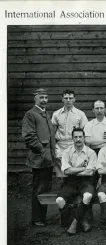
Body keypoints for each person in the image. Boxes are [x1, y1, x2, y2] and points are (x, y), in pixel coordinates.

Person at [22, 88, 56, 227]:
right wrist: (43, 152)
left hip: (48, 159)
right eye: (41, 97)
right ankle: (37, 218)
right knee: (39, 188)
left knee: (46, 188)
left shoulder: (46, 114)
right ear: (35, 98)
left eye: (46, 97)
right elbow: (29, 137)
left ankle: (42, 217)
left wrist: (51, 154)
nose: (44, 100)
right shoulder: (30, 114)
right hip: (39, 159)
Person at [55, 128, 97, 235]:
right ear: (72, 138)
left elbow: (90, 173)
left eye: (80, 137)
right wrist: (83, 169)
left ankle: (74, 223)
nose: (78, 139)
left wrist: (73, 170)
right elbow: (66, 171)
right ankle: (81, 220)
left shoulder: (91, 152)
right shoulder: (66, 152)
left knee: (87, 196)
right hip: (70, 182)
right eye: (75, 137)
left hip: (86, 182)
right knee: (59, 200)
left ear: (84, 138)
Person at [51, 89, 88, 175]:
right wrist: (54, 147)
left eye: (70, 98)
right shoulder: (56, 114)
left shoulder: (80, 114)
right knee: (62, 173)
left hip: (74, 146)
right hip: (60, 146)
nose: (68, 100)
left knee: (74, 172)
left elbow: (84, 133)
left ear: (74, 99)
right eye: (66, 98)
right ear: (62, 99)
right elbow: (52, 133)